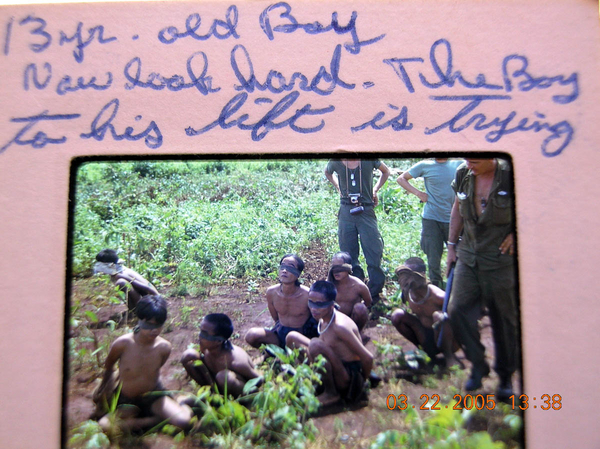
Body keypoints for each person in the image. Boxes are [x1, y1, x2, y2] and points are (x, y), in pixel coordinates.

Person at [446, 158, 517, 399]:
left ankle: (506, 377)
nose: (470, 164)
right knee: (456, 310)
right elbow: (457, 207)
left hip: (500, 259)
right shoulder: (463, 173)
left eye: (475, 160)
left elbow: (536, 207)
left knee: (503, 318)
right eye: (467, 159)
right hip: (469, 254)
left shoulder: (511, 172)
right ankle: (478, 364)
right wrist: (451, 246)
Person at [93, 296, 193, 432]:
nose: (154, 330)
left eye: (158, 325)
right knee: (105, 426)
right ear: (139, 320)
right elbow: (109, 367)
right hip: (127, 400)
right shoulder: (123, 344)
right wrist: (105, 389)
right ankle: (154, 420)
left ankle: (180, 402)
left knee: (183, 422)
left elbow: (155, 370)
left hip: (153, 397)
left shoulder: (164, 347)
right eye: (149, 325)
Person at [287, 281, 374, 406]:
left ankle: (331, 393)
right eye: (311, 302)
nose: (314, 308)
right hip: (332, 363)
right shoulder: (323, 317)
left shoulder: (340, 326)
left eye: (320, 304)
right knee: (292, 337)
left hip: (345, 375)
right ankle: (311, 379)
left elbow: (368, 358)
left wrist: (361, 384)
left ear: (332, 304)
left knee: (315, 344)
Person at [325, 159, 390, 302]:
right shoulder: (336, 161)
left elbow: (385, 171)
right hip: (346, 210)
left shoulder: (369, 159)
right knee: (348, 251)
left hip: (366, 209)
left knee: (373, 249)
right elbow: (327, 172)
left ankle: (374, 291)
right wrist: (337, 186)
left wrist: (375, 189)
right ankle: (355, 286)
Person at [397, 158, 463, 288]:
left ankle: (457, 290)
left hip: (455, 219)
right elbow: (401, 179)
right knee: (433, 260)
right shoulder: (425, 165)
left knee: (460, 258)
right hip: (432, 220)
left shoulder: (459, 164)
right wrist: (419, 193)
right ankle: (436, 290)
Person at [391, 259, 461, 368]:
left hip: (447, 339)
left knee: (439, 316)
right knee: (397, 315)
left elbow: (458, 316)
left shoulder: (437, 296)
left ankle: (449, 356)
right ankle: (426, 352)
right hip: (426, 336)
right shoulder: (407, 293)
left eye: (410, 275)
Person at [245, 254, 318, 348]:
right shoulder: (271, 292)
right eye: (283, 266)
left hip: (300, 337)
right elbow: (276, 319)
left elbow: (316, 319)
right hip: (279, 333)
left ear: (298, 273)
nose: (284, 270)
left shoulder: (307, 294)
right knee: (252, 335)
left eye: (290, 267)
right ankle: (274, 353)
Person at [181, 313, 261, 398]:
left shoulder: (236, 361)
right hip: (216, 384)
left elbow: (259, 379)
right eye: (200, 331)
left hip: (235, 389)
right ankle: (211, 392)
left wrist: (248, 393)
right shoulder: (206, 348)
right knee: (188, 355)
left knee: (224, 377)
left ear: (219, 341)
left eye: (205, 334)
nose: (200, 336)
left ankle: (236, 401)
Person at [94, 249, 159, 310]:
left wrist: (159, 299)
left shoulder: (120, 275)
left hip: (151, 303)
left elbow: (146, 287)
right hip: (147, 300)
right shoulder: (116, 271)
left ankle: (137, 311)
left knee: (121, 283)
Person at [327, 251, 372, 332]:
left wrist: (357, 314)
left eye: (340, 268)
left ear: (348, 268)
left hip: (352, 320)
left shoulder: (358, 285)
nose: (336, 272)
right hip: (333, 321)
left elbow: (368, 301)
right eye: (334, 268)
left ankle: (357, 333)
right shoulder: (328, 285)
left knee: (360, 308)